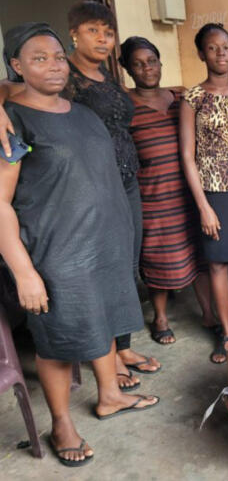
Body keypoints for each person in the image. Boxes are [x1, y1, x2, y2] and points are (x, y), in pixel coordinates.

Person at [0, 23, 158, 467]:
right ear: (16, 67)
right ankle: (61, 424)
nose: (52, 65)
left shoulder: (83, 113)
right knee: (58, 341)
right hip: (56, 253)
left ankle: (109, 394)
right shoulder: (15, 122)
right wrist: (24, 271)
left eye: (56, 56)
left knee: (104, 319)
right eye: (37, 58)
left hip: (103, 245)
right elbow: (0, 204)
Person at [119, 36, 215, 344]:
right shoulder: (125, 105)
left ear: (161, 63)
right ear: (127, 68)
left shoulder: (181, 97)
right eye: (139, 63)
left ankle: (208, 312)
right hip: (152, 196)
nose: (147, 68)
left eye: (152, 61)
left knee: (199, 254)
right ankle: (160, 316)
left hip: (190, 194)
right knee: (158, 257)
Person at [179, 23, 228, 363]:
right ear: (201, 54)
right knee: (217, 265)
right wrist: (203, 207)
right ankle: (227, 333)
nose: (222, 54)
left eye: (225, 47)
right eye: (212, 48)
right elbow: (187, 154)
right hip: (212, 192)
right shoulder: (192, 98)